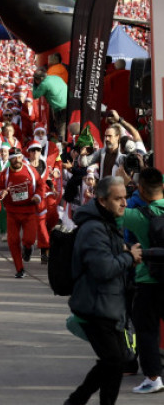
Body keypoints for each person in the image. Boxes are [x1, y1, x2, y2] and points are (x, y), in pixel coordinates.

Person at [65, 176, 142, 405]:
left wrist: (125, 256)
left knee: (114, 362)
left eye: (125, 198)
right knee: (113, 360)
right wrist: (128, 257)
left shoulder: (108, 223)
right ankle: (76, 400)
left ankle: (78, 401)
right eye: (117, 199)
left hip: (109, 304)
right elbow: (103, 268)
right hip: (95, 305)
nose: (124, 204)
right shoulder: (94, 229)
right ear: (101, 201)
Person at [117, 168, 164, 394]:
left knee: (146, 332)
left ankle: (153, 378)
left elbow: (109, 210)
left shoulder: (138, 216)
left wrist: (125, 190)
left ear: (142, 190)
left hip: (148, 282)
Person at [0, 148, 45, 278]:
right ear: (10, 159)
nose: (17, 160)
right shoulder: (5, 174)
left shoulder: (30, 170)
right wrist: (2, 193)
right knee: (13, 241)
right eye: (14, 158)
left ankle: (28, 248)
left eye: (19, 157)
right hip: (12, 211)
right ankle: (19, 268)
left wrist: (38, 197)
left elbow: (41, 185)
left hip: (29, 210)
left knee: (29, 239)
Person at [32, 67, 67, 140]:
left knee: (61, 127)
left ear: (39, 79)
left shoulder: (44, 84)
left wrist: (34, 85)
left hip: (60, 107)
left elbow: (35, 95)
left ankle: (61, 146)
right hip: (68, 103)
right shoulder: (56, 77)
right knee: (63, 126)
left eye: (35, 80)